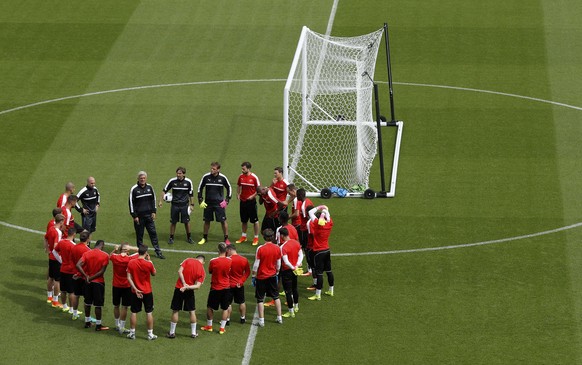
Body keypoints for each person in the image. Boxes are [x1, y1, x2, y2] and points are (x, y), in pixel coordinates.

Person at [167, 254, 206, 339]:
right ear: (203, 262)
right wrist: (187, 287)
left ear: (196, 258)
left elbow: (179, 271)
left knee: (175, 310)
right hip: (189, 291)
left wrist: (184, 283)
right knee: (192, 311)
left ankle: (172, 332)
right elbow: (197, 286)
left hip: (179, 288)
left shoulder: (188, 260)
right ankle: (193, 333)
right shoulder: (202, 271)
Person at [129, 171, 165, 259]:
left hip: (149, 216)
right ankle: (141, 254)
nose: (142, 179)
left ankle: (158, 251)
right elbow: (131, 203)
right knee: (139, 236)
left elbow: (153, 200)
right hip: (139, 218)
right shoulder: (134, 189)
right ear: (138, 179)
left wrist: (154, 211)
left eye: (144, 178)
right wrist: (134, 216)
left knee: (153, 234)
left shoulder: (150, 187)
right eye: (141, 178)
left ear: (146, 178)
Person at [251, 228, 283, 327]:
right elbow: (278, 263)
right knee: (276, 296)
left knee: (260, 299)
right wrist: (277, 272)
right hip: (272, 275)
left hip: (261, 277)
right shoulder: (277, 248)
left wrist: (253, 276)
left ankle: (261, 321)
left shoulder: (260, 249)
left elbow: (256, 264)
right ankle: (279, 318)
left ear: (264, 237)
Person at [76, 239, 110, 331]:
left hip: (87, 282)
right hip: (98, 283)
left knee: (87, 302)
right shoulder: (105, 255)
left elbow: (78, 265)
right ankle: (98, 325)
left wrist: (86, 276)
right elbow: (102, 271)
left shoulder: (87, 253)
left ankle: (87, 322)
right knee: (98, 305)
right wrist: (90, 278)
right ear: (102, 246)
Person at [126, 245, 158, 340]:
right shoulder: (148, 264)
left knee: (134, 312)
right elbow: (154, 273)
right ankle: (150, 334)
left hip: (135, 292)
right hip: (147, 291)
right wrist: (150, 260)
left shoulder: (131, 262)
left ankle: (132, 333)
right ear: (146, 253)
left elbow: (128, 277)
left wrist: (135, 289)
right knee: (149, 312)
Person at [197, 162, 232, 245]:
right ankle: (204, 238)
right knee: (206, 221)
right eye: (211, 168)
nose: (212, 170)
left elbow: (229, 188)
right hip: (208, 203)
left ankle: (226, 238)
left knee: (223, 221)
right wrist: (200, 200)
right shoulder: (206, 177)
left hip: (219, 204)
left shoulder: (223, 178)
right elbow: (200, 188)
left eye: (214, 169)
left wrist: (227, 200)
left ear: (218, 169)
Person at [200, 242, 232, 334]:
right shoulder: (230, 260)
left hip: (215, 287)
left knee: (210, 307)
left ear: (218, 250)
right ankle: (222, 328)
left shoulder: (213, 261)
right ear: (226, 250)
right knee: (225, 308)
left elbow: (210, 271)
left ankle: (209, 326)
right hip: (226, 287)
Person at [159, 167, 195, 244]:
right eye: (177, 173)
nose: (178, 175)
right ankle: (171, 238)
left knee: (186, 222)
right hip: (175, 205)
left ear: (184, 174)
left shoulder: (188, 182)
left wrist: (192, 205)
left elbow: (191, 194)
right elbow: (164, 191)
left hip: (184, 205)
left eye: (180, 173)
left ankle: (189, 237)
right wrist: (160, 201)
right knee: (173, 222)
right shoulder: (172, 181)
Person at [109, 243, 139, 334]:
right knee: (125, 307)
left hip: (116, 285)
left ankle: (117, 325)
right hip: (126, 286)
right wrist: (131, 247)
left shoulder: (115, 257)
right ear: (128, 251)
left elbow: (109, 256)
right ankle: (122, 327)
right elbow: (139, 250)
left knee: (116, 305)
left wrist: (115, 250)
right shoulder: (130, 259)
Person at [307, 206, 335, 301]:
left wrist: (320, 206)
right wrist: (325, 210)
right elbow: (328, 215)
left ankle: (318, 294)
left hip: (318, 251)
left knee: (319, 274)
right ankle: (331, 290)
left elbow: (310, 212)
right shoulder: (329, 223)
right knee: (329, 271)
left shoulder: (317, 225)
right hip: (327, 250)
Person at [279, 227, 303, 317]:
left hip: (287, 271)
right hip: (295, 270)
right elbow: (301, 254)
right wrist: (297, 264)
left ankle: (291, 311)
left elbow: (286, 261)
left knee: (288, 292)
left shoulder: (283, 247)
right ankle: (296, 306)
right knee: (295, 288)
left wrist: (293, 267)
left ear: (282, 235)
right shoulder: (296, 243)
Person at [235, 162, 261, 245]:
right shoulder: (241, 176)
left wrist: (253, 196)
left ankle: (256, 237)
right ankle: (243, 236)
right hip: (243, 201)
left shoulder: (254, 178)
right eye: (242, 168)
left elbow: (259, 189)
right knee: (244, 220)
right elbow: (239, 186)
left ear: (248, 169)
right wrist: (238, 193)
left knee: (255, 221)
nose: (242, 170)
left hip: (251, 202)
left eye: (244, 169)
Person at [54, 227, 77, 314]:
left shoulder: (61, 242)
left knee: (63, 290)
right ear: (74, 234)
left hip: (63, 269)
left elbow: (54, 251)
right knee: (71, 292)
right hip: (71, 271)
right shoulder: (73, 246)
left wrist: (60, 260)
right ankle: (71, 309)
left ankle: (64, 306)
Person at [226, 244, 250, 324]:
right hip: (239, 285)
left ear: (229, 250)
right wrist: (241, 281)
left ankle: (227, 320)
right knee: (242, 302)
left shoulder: (228, 260)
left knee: (228, 303)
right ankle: (242, 318)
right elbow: (247, 272)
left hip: (229, 285)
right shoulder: (244, 259)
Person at [70, 230, 92, 321]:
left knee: (76, 295)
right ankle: (87, 317)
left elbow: (72, 260)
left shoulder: (74, 247)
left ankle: (74, 314)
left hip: (75, 275)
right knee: (87, 297)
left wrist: (75, 272)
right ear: (88, 239)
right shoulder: (88, 251)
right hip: (84, 276)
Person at [45, 214, 64, 307]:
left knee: (50, 277)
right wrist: (61, 259)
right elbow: (56, 246)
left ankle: (49, 297)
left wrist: (47, 249)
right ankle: (55, 301)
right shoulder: (58, 232)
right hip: (56, 257)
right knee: (57, 280)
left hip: (51, 256)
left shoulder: (51, 229)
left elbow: (45, 238)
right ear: (60, 222)